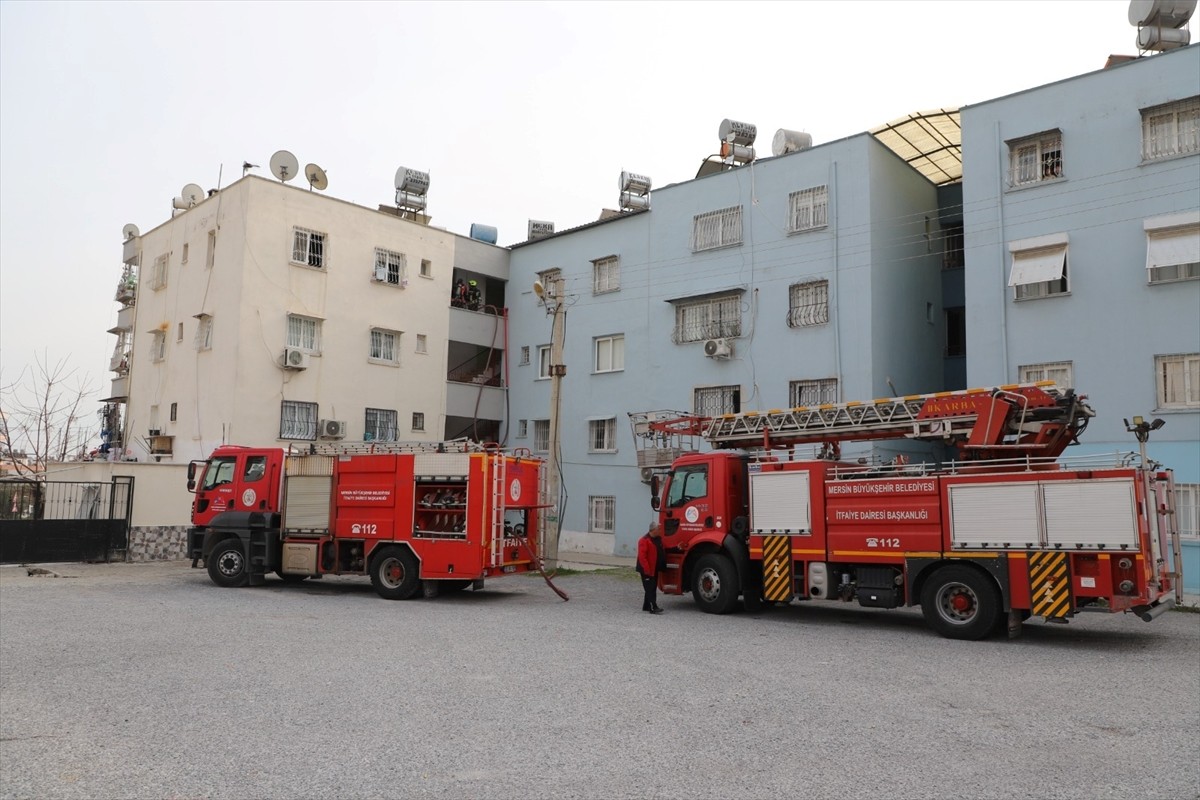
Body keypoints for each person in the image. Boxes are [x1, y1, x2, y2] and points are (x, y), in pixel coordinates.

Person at [636, 524, 666, 614]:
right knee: (650, 588)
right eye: (658, 529)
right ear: (653, 530)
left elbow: (664, 549)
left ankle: (646, 606)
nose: (660, 531)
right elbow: (642, 557)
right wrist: (647, 570)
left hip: (654, 568)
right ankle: (653, 607)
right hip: (647, 569)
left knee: (651, 587)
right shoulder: (644, 540)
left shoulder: (658, 539)